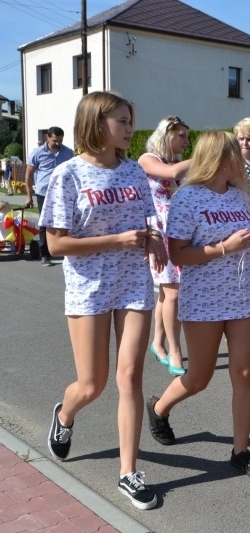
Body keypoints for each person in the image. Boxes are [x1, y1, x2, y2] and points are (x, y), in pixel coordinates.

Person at [39, 91, 166, 510]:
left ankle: (128, 472)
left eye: (131, 121)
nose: (130, 129)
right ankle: (65, 415)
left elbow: (146, 226)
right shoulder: (68, 175)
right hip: (88, 288)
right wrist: (118, 239)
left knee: (129, 378)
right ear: (98, 124)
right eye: (123, 122)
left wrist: (153, 244)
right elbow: (56, 245)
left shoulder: (134, 173)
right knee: (91, 384)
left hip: (134, 284)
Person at [145, 130, 250, 481]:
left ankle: (241, 452)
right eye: (236, 153)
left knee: (245, 373)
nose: (244, 157)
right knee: (199, 378)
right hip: (203, 300)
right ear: (222, 159)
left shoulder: (239, 196)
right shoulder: (188, 198)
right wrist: (225, 248)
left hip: (240, 297)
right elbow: (178, 254)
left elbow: (245, 243)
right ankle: (159, 408)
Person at [139, 116, 192, 376]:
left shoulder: (178, 165)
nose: (185, 140)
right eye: (181, 135)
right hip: (159, 236)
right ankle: (175, 350)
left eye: (186, 135)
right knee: (173, 294)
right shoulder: (149, 159)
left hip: (179, 234)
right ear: (166, 134)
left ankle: (158, 343)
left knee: (167, 292)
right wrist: (208, 156)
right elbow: (171, 174)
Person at [24, 126, 75, 266]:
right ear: (47, 137)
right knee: (45, 224)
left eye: (60, 140)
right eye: (55, 140)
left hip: (64, 193)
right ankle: (45, 254)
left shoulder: (68, 153)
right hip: (44, 193)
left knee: (66, 223)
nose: (58, 143)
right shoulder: (38, 153)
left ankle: (67, 251)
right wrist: (29, 196)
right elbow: (28, 175)